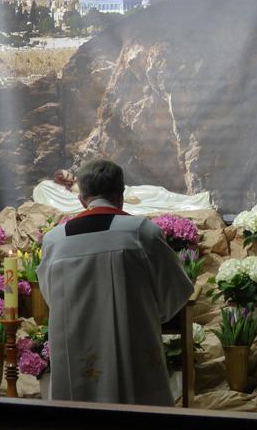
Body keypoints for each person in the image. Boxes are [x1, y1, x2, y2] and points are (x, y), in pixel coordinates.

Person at [37, 159, 194, 405]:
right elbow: (175, 292)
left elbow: (52, 298)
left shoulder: (55, 241)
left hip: (77, 354)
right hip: (133, 347)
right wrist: (148, 315)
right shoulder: (141, 232)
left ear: (81, 199)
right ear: (120, 196)